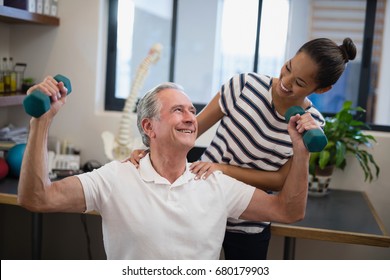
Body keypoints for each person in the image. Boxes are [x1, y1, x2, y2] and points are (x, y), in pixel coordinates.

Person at [18, 79, 313, 260]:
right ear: (149, 126)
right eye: (177, 111)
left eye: (192, 111)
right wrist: (41, 122)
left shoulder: (214, 182)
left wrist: (301, 152)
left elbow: (289, 211)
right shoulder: (116, 177)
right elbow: (37, 198)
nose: (190, 118)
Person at [130, 37, 357, 260]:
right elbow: (192, 131)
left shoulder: (311, 123)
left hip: (250, 221)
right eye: (287, 68)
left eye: (299, 83)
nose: (285, 82)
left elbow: (279, 180)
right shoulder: (244, 85)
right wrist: (149, 152)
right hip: (202, 204)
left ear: (322, 89)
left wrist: (223, 170)